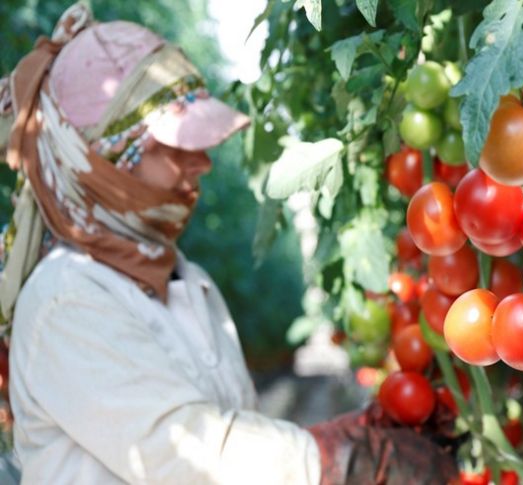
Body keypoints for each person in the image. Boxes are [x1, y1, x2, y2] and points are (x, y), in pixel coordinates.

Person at [0, 4, 457, 484]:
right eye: (174, 147)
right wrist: (338, 458)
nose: (201, 163)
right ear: (98, 165)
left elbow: (229, 431)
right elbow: (186, 453)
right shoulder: (65, 299)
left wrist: (344, 434)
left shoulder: (187, 281)